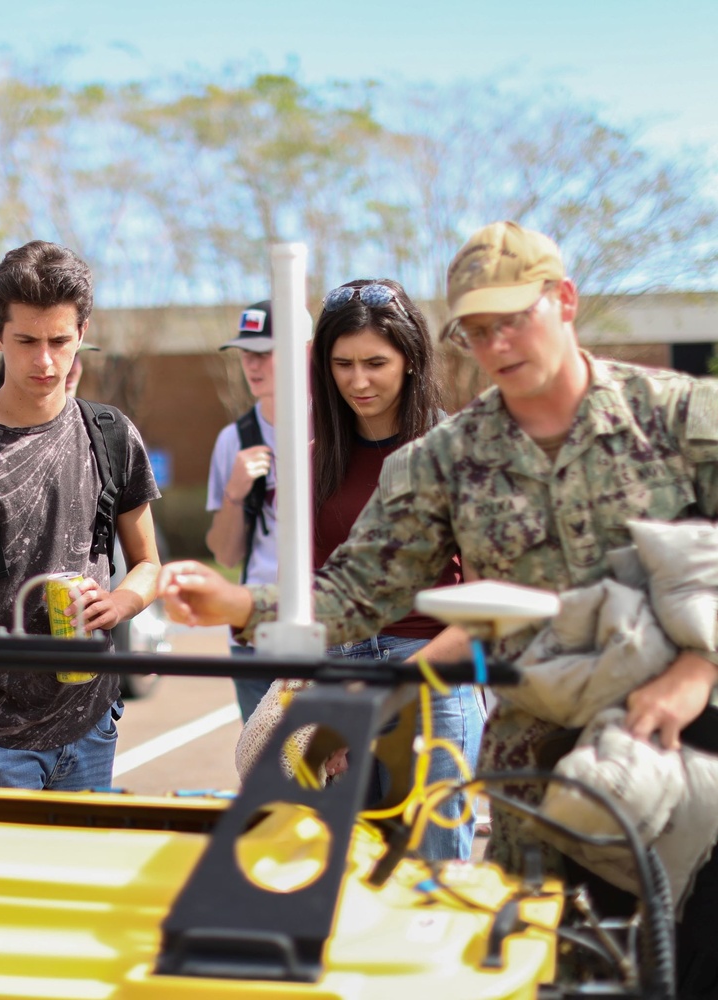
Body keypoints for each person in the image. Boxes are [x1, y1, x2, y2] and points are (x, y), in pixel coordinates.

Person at [159, 221, 718, 995]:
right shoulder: (445, 461)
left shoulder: (681, 418)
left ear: (565, 301)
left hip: (686, 755)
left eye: (512, 319)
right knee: (530, 965)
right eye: (477, 330)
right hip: (534, 779)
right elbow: (358, 590)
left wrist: (697, 667)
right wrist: (243, 603)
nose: (496, 345)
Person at [0, 241, 161, 793]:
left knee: (77, 881)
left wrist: (121, 602)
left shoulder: (112, 435)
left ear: (82, 334)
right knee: (0, 881)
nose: (45, 361)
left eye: (59, 341)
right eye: (26, 341)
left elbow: (148, 565)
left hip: (92, 723)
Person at [309, 277, 483, 860]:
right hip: (344, 672)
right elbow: (316, 589)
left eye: (376, 363)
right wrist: (327, 703)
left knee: (437, 872)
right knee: (342, 869)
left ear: (410, 360)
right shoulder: (318, 457)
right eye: (343, 364)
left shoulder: (457, 448)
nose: (358, 381)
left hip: (433, 673)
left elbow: (487, 598)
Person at [205, 301, 278, 722]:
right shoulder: (234, 439)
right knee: (265, 769)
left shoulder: (336, 428)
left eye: (265, 352)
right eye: (246, 353)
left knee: (335, 778)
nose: (253, 364)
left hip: (329, 632)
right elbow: (226, 555)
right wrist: (234, 493)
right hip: (255, 634)